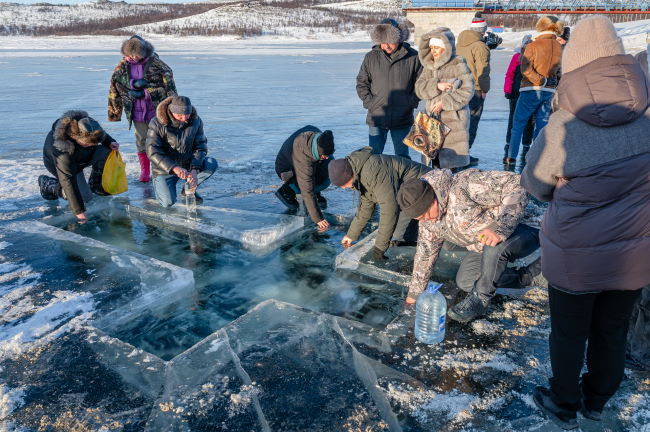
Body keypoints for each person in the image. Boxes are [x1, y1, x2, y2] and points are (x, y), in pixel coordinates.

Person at [520, 16, 650, 430]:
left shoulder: (563, 127)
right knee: (613, 331)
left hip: (575, 257)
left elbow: (535, 185)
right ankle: (596, 402)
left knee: (570, 333)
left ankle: (563, 402)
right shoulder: (647, 123)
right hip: (633, 256)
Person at [397, 169, 544, 322]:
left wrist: (500, 227)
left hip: (525, 227)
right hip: (485, 244)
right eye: (419, 219)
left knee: (492, 253)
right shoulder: (428, 222)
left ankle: (480, 299)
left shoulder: (465, 186)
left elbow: (518, 184)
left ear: (432, 202)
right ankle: (531, 275)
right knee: (466, 281)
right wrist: (413, 296)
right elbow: (425, 254)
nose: (424, 221)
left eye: (424, 216)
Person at [328, 147, 431, 259]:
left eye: (343, 184)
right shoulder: (359, 172)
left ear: (349, 176)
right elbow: (365, 207)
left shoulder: (374, 172)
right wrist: (351, 235)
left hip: (425, 190)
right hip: (407, 198)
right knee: (400, 235)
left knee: (416, 233)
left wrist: (380, 248)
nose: (343, 188)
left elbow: (389, 209)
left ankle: (431, 236)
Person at [109, 35, 177, 183]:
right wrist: (132, 86)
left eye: (137, 54)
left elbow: (168, 84)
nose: (134, 57)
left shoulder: (156, 63)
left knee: (161, 139)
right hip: (136, 110)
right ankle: (145, 171)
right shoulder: (123, 65)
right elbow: (116, 85)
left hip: (156, 108)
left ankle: (162, 168)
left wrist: (146, 93)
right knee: (141, 140)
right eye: (131, 54)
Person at [356, 18, 422, 159]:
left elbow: (421, 83)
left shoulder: (413, 57)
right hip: (377, 116)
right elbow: (362, 83)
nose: (386, 46)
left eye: (389, 41)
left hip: (403, 117)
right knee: (373, 157)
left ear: (399, 38)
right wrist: (371, 103)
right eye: (382, 41)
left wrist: (410, 102)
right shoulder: (371, 57)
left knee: (403, 157)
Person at [39, 110, 120, 223]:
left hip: (83, 157)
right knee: (85, 197)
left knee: (108, 152)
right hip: (61, 166)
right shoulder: (62, 148)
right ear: (76, 137)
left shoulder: (86, 124)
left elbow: (99, 134)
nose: (91, 145)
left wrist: (109, 142)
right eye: (87, 143)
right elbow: (68, 180)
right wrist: (79, 210)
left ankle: (95, 185)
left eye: (93, 143)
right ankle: (47, 184)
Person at [506, 16, 563, 165]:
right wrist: (549, 82)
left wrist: (541, 80)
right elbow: (559, 70)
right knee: (541, 126)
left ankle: (511, 157)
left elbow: (525, 70)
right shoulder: (559, 47)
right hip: (549, 92)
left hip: (531, 89)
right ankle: (537, 158)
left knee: (518, 124)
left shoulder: (533, 45)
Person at [415, 28, 474, 170]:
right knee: (433, 165)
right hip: (432, 121)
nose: (433, 51)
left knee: (451, 166)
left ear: (445, 48)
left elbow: (468, 90)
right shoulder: (429, 67)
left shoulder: (458, 63)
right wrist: (436, 85)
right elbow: (419, 89)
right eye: (431, 48)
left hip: (453, 124)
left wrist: (444, 103)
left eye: (436, 48)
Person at [147, 96, 217, 207]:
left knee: (211, 164)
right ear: (172, 111)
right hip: (165, 169)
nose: (184, 119)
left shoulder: (196, 121)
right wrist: (174, 168)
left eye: (187, 115)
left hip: (188, 165)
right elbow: (153, 151)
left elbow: (200, 146)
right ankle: (158, 184)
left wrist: (195, 169)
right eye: (180, 115)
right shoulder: (157, 123)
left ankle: (188, 188)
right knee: (167, 202)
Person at [274, 126, 334, 231]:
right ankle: (288, 190)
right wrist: (318, 218)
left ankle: (316, 192)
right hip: (287, 171)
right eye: (324, 155)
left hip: (305, 158)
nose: (327, 157)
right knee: (321, 182)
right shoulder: (303, 156)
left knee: (330, 165)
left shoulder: (320, 138)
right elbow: (307, 188)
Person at [456, 12, 491, 164]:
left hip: (458, 87)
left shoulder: (460, 43)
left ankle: (455, 153)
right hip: (474, 89)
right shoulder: (480, 46)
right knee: (472, 122)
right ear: (483, 30)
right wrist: (484, 89)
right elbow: (483, 70)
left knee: (459, 122)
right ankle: (464, 156)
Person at [504, 35, 535, 164]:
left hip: (530, 91)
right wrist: (507, 90)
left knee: (530, 118)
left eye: (530, 42)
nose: (528, 44)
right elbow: (509, 74)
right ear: (523, 46)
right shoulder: (516, 58)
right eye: (526, 43)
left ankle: (526, 142)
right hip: (516, 92)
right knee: (513, 117)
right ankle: (509, 140)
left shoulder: (535, 58)